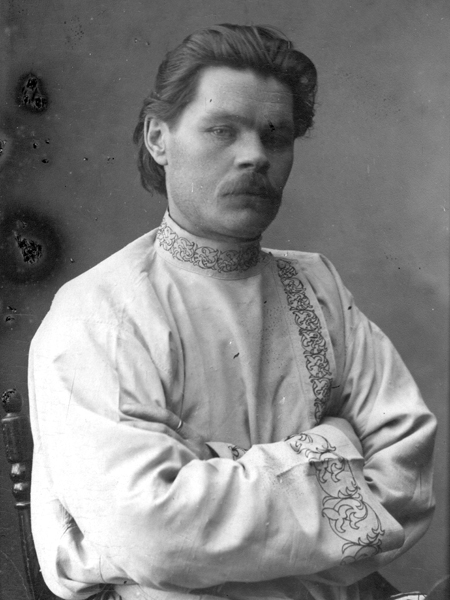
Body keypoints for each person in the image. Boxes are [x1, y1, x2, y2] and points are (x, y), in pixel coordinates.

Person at [28, 24, 436, 600]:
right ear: (158, 139)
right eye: (222, 130)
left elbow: (407, 485)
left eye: (276, 136)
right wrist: (335, 447)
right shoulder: (99, 313)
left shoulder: (317, 287)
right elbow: (155, 539)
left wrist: (213, 478)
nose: (255, 156)